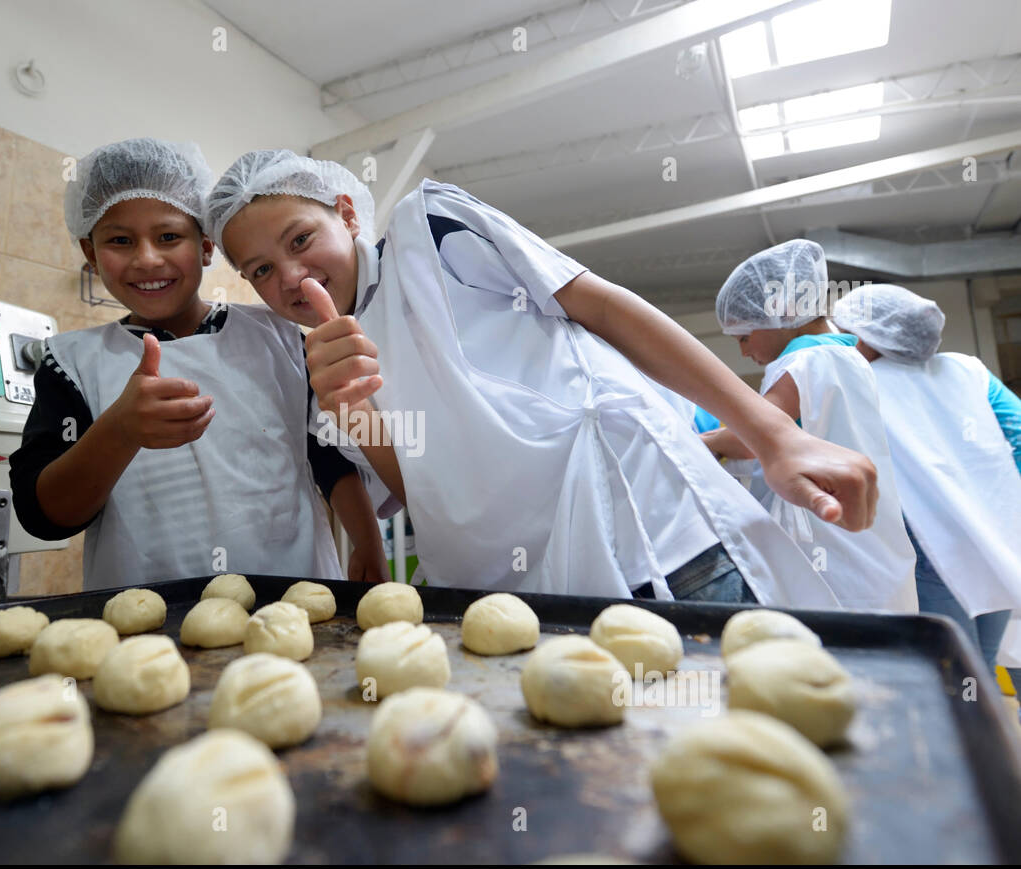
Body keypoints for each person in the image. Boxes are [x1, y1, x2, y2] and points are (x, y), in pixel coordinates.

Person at [203, 150, 883, 607]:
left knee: (751, 753)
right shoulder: (321, 362)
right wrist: (353, 412)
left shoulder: (428, 234)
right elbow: (424, 491)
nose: (289, 276)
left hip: (649, 534)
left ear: (347, 215)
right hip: (516, 592)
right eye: (260, 269)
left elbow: (601, 304)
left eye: (299, 240)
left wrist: (769, 435)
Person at [9, 139, 387, 591]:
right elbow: (43, 517)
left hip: (295, 600)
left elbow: (328, 457)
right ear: (91, 254)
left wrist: (367, 541)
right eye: (119, 241)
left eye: (169, 236)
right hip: (149, 620)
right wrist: (119, 432)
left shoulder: (280, 337)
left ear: (206, 247)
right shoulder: (71, 362)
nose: (147, 258)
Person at [704, 240, 917, 613]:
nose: (743, 352)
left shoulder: (805, 360)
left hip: (831, 541)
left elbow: (754, 436)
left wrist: (702, 441)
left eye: (744, 336)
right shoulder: (848, 357)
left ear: (781, 310)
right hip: (868, 540)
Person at [832, 283, 1021, 686]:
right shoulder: (969, 370)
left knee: (957, 668)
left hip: (933, 546)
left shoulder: (858, 382)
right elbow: (1018, 435)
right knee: (984, 659)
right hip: (994, 536)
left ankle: (974, 744)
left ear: (867, 335)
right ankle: (994, 741)